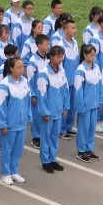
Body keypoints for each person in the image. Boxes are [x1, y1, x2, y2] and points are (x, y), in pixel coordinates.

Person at [0, 55, 31, 185]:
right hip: (9, 124)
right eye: (19, 67)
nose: (22, 69)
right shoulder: (4, 85)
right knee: (7, 149)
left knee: (18, 149)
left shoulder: (24, 81)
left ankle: (14, 171)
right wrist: (2, 124)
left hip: (21, 123)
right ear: (11, 69)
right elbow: (0, 106)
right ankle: (5, 173)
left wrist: (28, 117)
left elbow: (27, 100)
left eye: (23, 66)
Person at [35, 45, 69, 173]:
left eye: (62, 56)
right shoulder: (44, 74)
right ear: (51, 57)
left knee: (55, 136)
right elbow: (42, 94)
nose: (60, 59)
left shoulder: (62, 71)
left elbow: (65, 89)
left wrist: (66, 106)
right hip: (48, 112)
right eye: (58, 56)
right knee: (46, 137)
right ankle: (45, 161)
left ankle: (53, 159)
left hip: (58, 110)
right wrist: (45, 112)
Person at [74, 44, 103, 161]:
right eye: (91, 55)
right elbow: (78, 91)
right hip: (85, 106)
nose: (93, 57)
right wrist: (80, 106)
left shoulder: (96, 67)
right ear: (85, 55)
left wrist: (100, 100)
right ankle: (81, 151)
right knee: (83, 129)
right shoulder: (80, 71)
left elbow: (100, 85)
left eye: (94, 55)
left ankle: (89, 149)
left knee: (91, 129)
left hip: (94, 105)